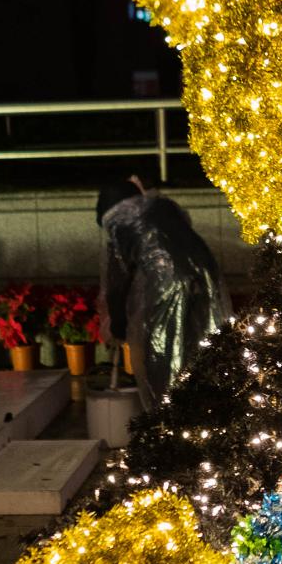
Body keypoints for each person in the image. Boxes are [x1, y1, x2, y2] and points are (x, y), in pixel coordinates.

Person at [96, 173, 228, 406]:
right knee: (202, 343)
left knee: (163, 351)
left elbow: (118, 282)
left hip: (169, 281)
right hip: (205, 272)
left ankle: (168, 414)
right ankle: (209, 407)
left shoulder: (120, 223)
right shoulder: (161, 207)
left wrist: (117, 324)